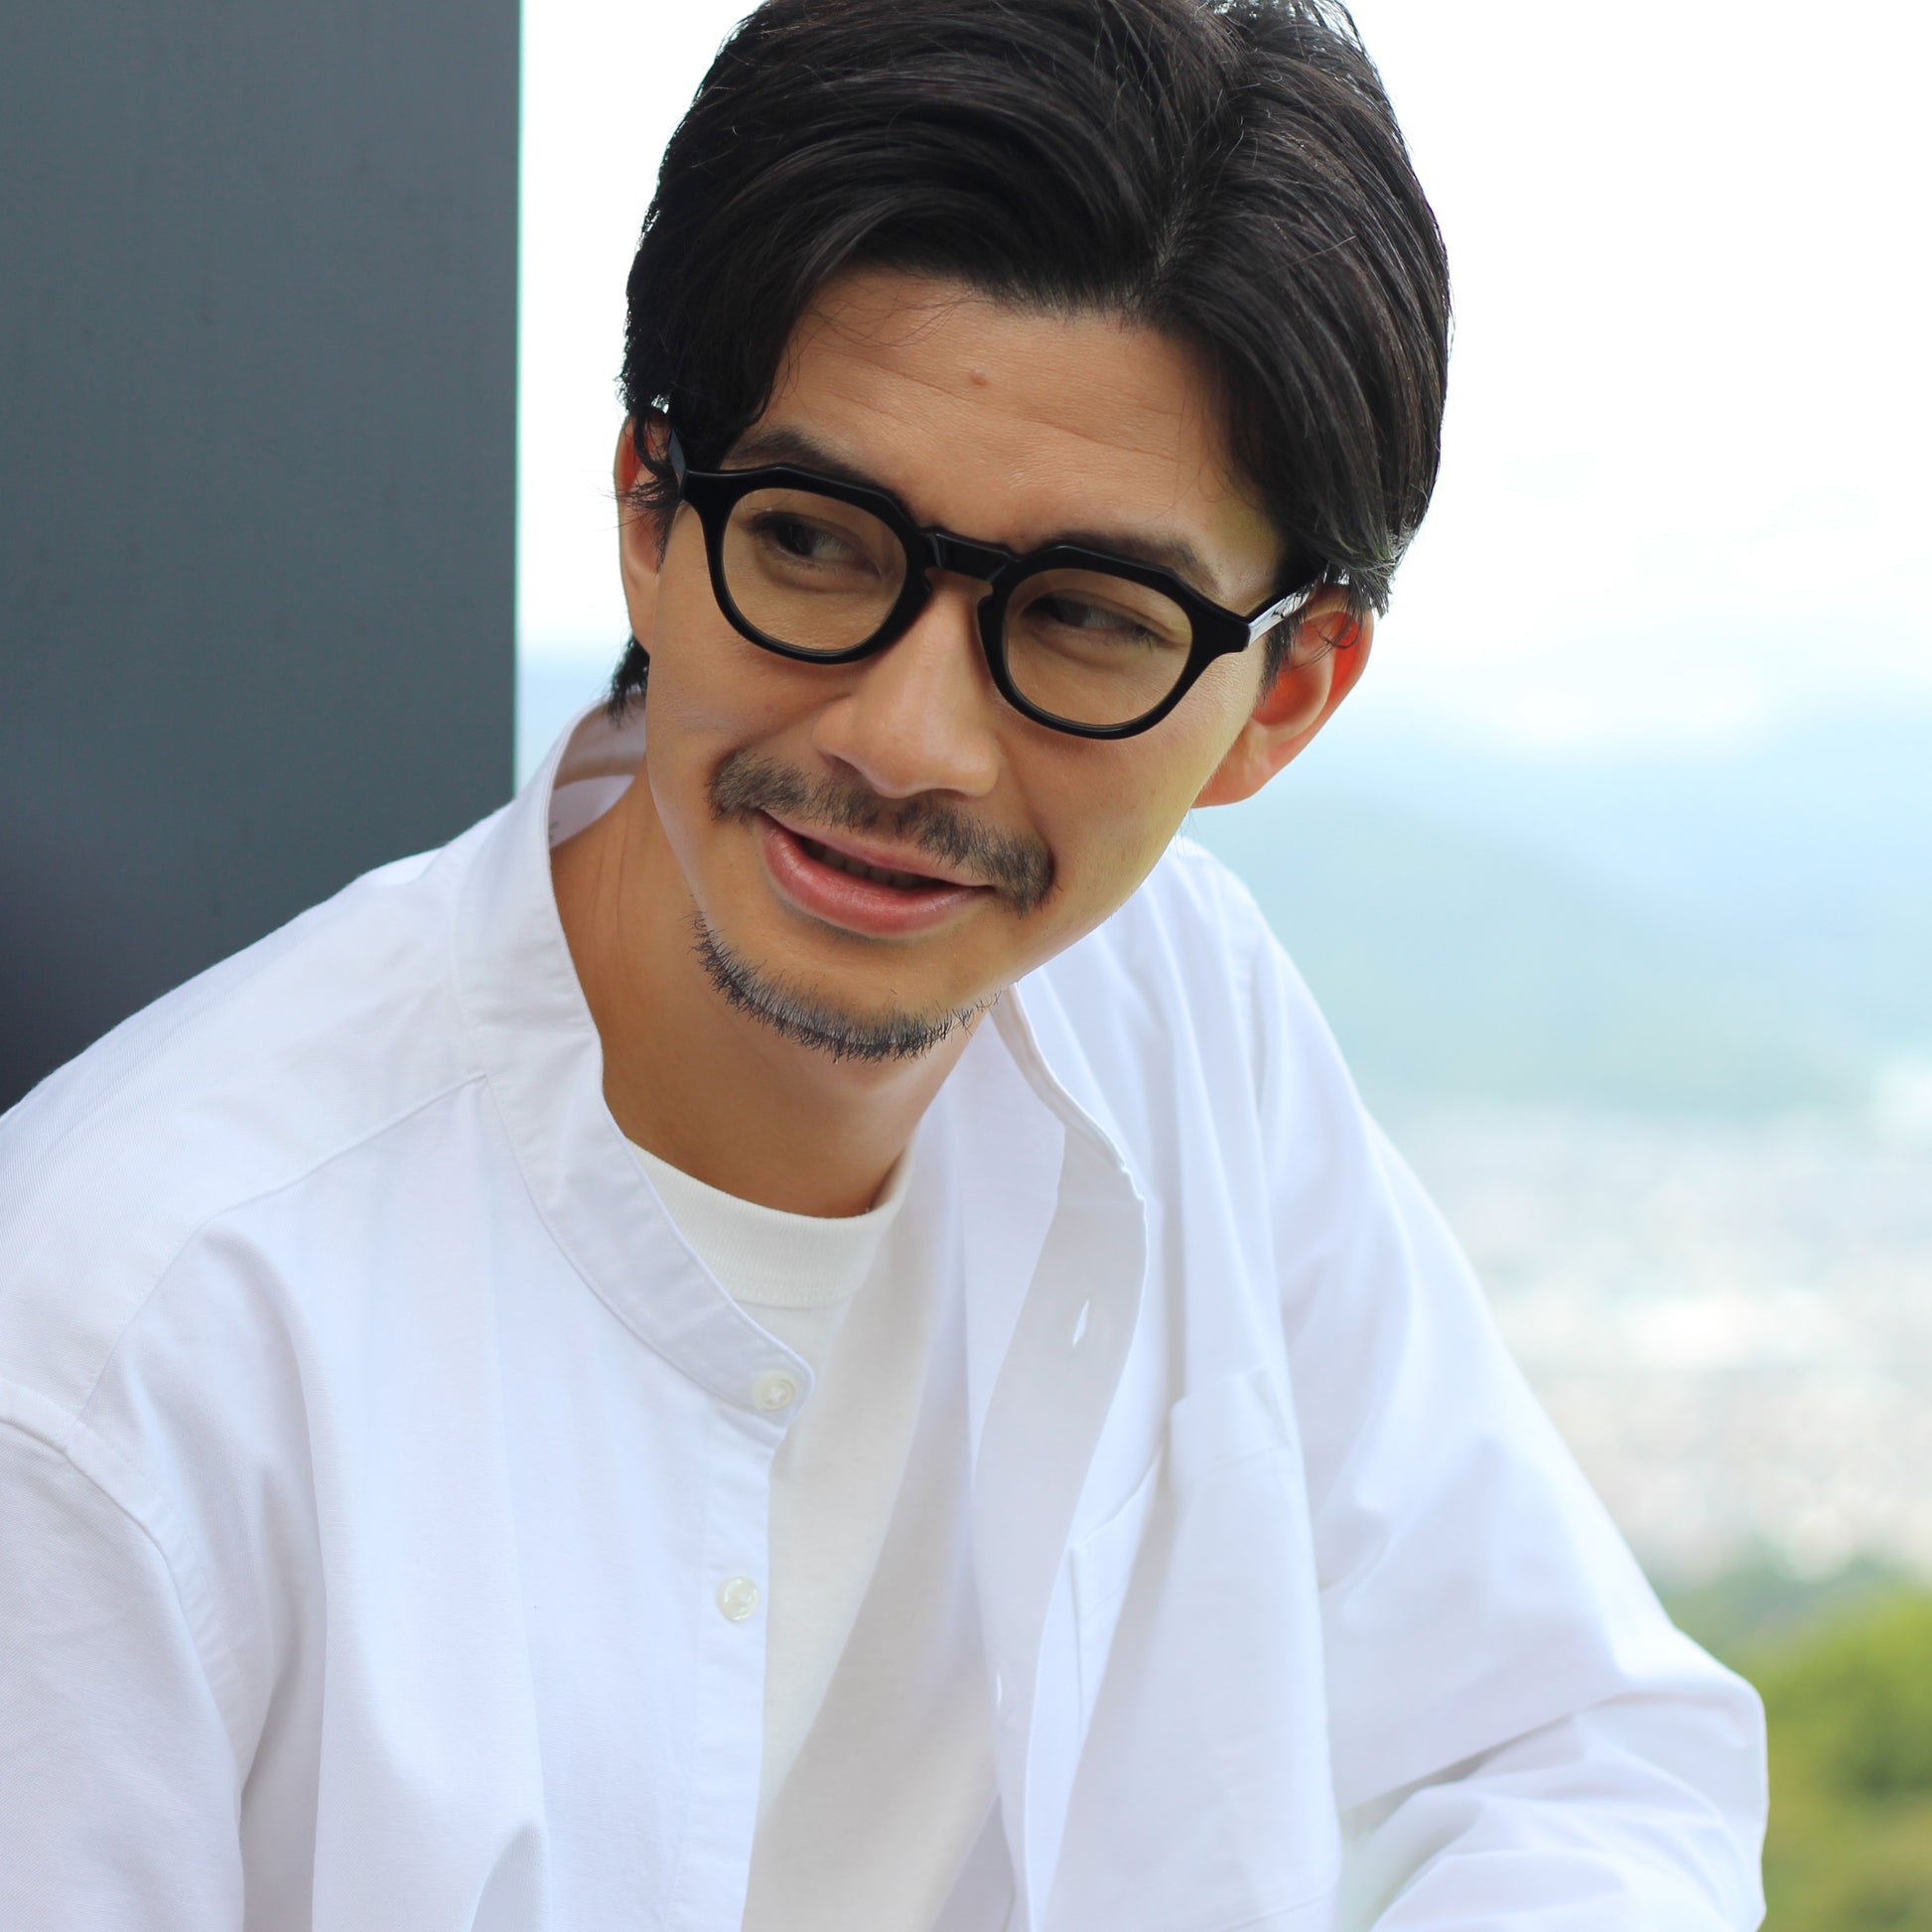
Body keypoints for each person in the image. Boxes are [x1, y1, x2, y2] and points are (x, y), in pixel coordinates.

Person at [0, 0, 1766, 1926]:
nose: (909, 743)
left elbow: (1584, 1752)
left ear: (1286, 695)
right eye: (821, 543)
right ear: (649, 514)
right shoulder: (119, 1352)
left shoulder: (1184, 1018)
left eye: (1083, 616)